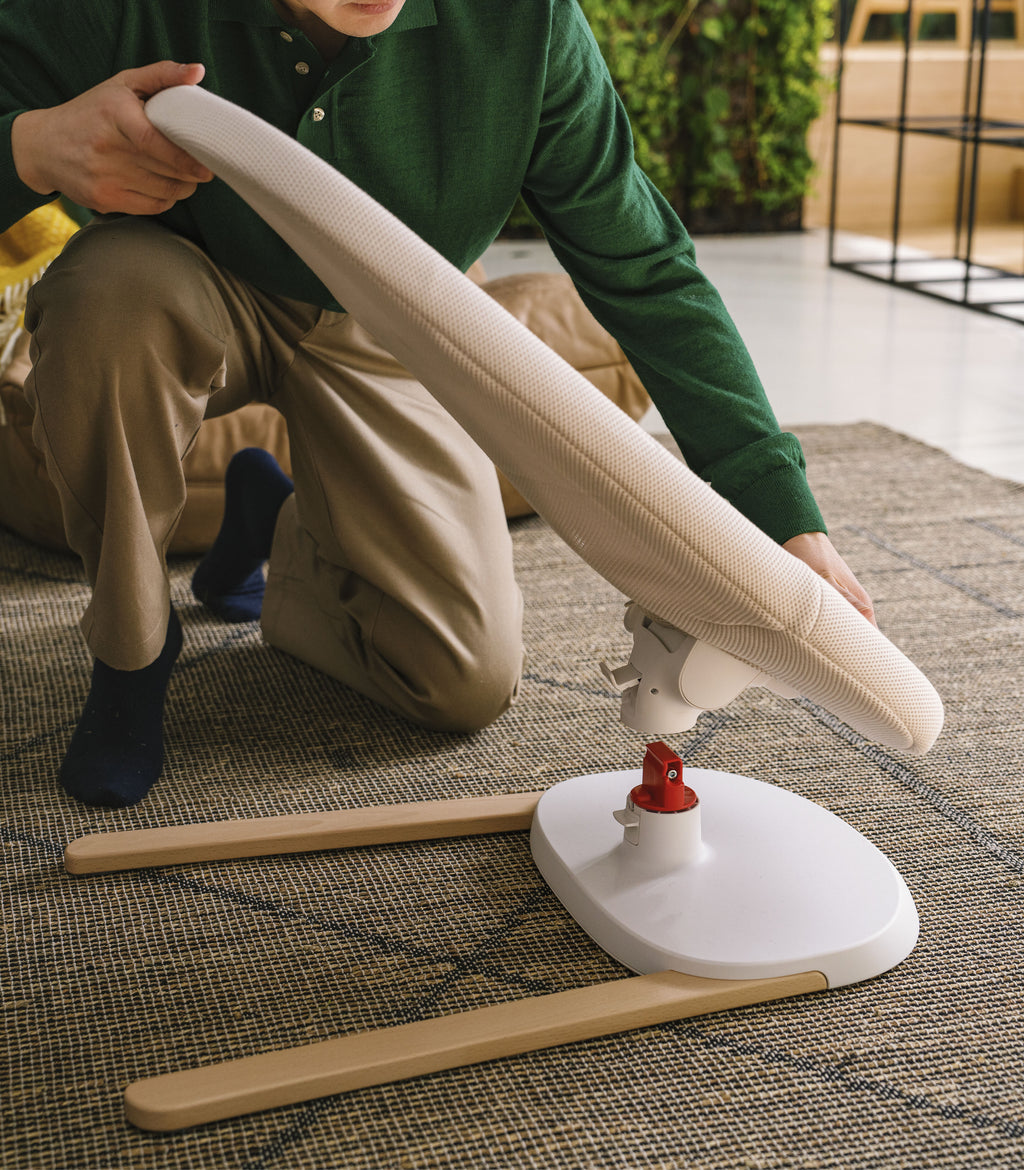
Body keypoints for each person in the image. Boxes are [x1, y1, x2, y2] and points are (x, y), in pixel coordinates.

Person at [1, 0, 876, 808]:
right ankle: (131, 655)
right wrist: (32, 147)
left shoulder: (526, 22)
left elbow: (644, 268)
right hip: (180, 280)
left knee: (460, 681)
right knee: (104, 299)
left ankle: (278, 527)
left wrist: (783, 515)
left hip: (398, 312)